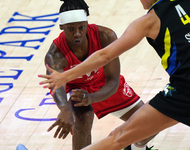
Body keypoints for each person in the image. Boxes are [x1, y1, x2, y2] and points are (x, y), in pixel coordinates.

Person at [39, 0, 190, 149]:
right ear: (62, 28)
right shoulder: (55, 54)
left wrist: (89, 95)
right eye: (71, 29)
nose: (77, 33)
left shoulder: (107, 35)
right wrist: (65, 109)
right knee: (84, 117)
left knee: (143, 129)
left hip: (106, 83)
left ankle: (137, 148)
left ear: (87, 25)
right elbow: (56, 85)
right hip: (76, 88)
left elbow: (111, 75)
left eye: (81, 28)